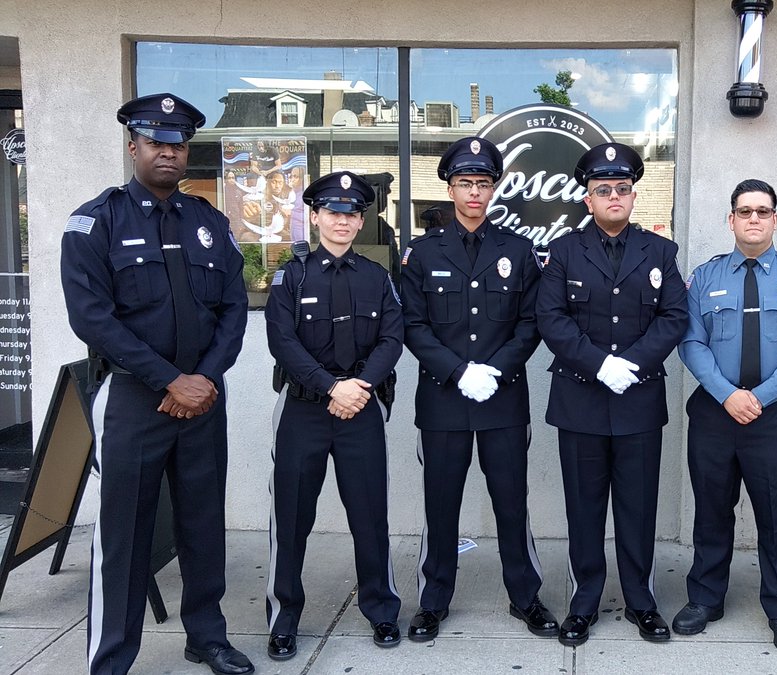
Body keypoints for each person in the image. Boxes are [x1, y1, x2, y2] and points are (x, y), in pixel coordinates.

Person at [60, 93, 252, 675]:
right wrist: (171, 379)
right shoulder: (96, 221)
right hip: (134, 400)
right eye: (156, 142)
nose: (168, 152)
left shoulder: (210, 223)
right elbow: (90, 318)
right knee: (124, 531)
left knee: (201, 523)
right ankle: (112, 656)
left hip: (202, 400)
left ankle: (207, 636)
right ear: (134, 146)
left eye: (178, 144)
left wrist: (204, 378)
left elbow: (234, 309)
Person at [399, 137, 556, 642]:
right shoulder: (422, 253)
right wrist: (456, 371)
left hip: (503, 401)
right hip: (443, 401)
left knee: (512, 502)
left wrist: (496, 370)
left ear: (494, 189)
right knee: (440, 505)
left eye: (483, 183)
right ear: (449, 188)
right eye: (464, 182)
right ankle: (433, 601)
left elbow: (531, 323)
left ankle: (525, 596)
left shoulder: (517, 251)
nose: (473, 192)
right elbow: (413, 325)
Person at [536, 142, 688, 647]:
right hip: (580, 397)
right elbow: (551, 319)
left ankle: (641, 602)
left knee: (637, 508)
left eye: (623, 188)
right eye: (604, 190)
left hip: (638, 399)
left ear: (633, 195)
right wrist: (600, 363)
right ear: (587, 199)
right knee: (584, 509)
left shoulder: (660, 251)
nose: (614, 196)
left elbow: (674, 317)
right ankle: (583, 602)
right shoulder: (562, 251)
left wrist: (635, 363)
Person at [674, 179, 777, 654]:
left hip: (774, 415)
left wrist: (759, 397)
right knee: (711, 512)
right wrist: (727, 394)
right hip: (716, 413)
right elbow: (690, 341)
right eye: (745, 211)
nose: (754, 219)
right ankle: (705, 598)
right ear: (731, 220)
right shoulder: (705, 277)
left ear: (776, 220)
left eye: (763, 211)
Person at [263, 171, 404, 660]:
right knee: (292, 517)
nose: (343, 221)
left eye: (352, 214)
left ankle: (382, 609)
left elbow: (392, 338)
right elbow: (281, 340)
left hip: (360, 410)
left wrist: (358, 388)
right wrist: (330, 387)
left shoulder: (377, 277)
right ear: (317, 216)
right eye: (334, 212)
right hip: (305, 410)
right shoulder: (291, 275)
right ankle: (284, 615)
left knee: (370, 516)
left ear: (361, 220)